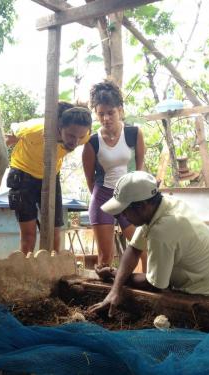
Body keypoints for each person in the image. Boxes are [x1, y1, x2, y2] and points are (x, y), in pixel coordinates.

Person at [90, 171, 209, 317]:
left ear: (141, 206)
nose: (121, 216)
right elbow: (134, 249)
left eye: (123, 211)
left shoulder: (163, 229)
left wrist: (114, 276)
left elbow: (154, 284)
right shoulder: (161, 206)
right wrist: (115, 289)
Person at [5, 103, 92, 254]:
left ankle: (52, 274)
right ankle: (28, 274)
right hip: (23, 173)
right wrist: (12, 139)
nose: (75, 142)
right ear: (59, 126)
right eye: (71, 135)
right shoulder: (35, 130)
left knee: (54, 233)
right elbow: (14, 129)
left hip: (51, 175)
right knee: (29, 235)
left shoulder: (84, 135)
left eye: (80, 137)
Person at [82, 80, 146, 272]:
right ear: (95, 113)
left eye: (111, 113)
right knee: (105, 257)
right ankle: (103, 295)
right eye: (101, 114)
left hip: (128, 198)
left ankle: (149, 287)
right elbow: (90, 180)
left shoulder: (134, 133)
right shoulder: (92, 142)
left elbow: (140, 168)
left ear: (120, 110)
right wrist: (102, 197)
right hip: (103, 197)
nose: (106, 118)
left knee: (142, 248)